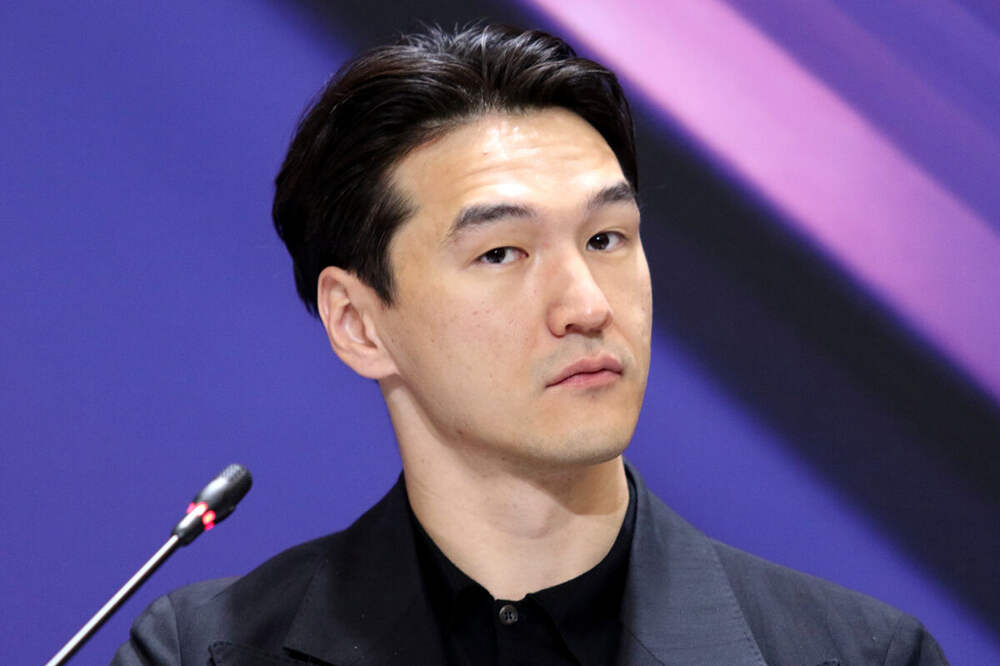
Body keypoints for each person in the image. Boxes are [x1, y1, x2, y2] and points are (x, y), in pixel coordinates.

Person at [113, 24, 949, 666]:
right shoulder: (204, 653)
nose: (587, 305)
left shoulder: (859, 655)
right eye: (502, 253)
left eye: (607, 239)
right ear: (359, 323)